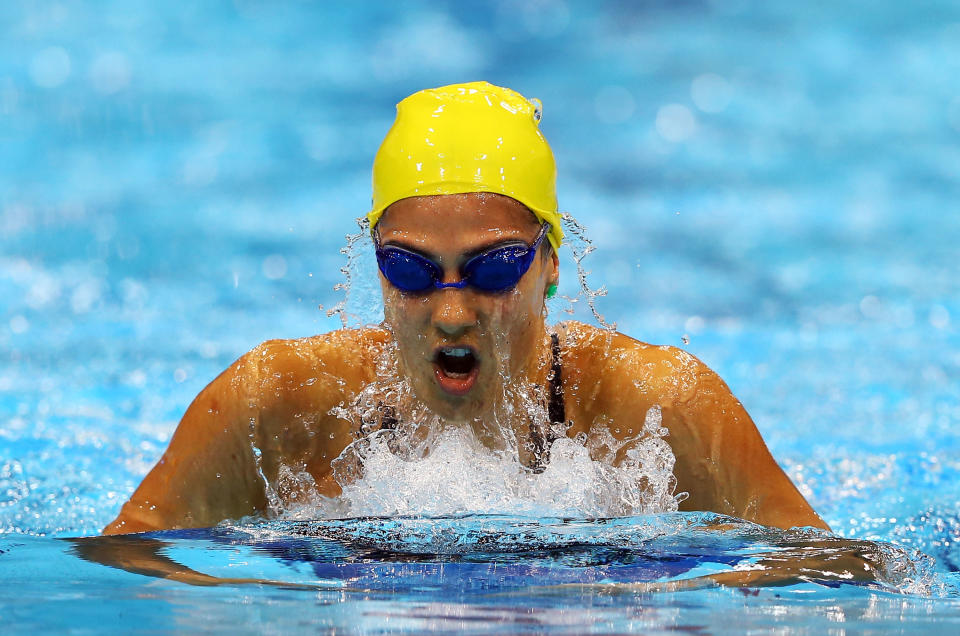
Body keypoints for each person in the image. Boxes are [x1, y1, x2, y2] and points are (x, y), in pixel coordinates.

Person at [103, 82, 828, 536]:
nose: (452, 312)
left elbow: (831, 575)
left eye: (494, 267)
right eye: (412, 269)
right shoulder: (277, 406)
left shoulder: (657, 409)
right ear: (377, 264)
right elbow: (119, 572)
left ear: (548, 264)